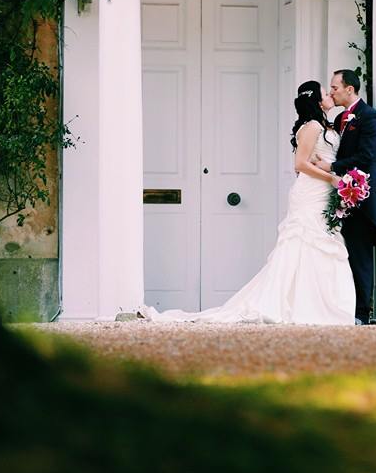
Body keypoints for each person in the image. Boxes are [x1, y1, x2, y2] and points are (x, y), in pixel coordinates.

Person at [144, 81, 357, 324]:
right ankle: (301, 306)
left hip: (322, 191)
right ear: (317, 101)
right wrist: (331, 178)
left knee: (320, 243)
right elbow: (299, 165)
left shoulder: (322, 125)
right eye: (325, 92)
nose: (330, 94)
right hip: (312, 192)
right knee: (303, 241)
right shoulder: (312, 127)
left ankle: (314, 305)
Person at [313, 69, 376, 325]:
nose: (331, 91)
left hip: (361, 196)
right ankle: (339, 308)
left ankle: (361, 314)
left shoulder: (370, 117)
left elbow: (368, 156)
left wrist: (332, 168)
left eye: (334, 87)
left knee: (359, 254)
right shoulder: (338, 119)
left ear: (349, 89)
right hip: (338, 197)